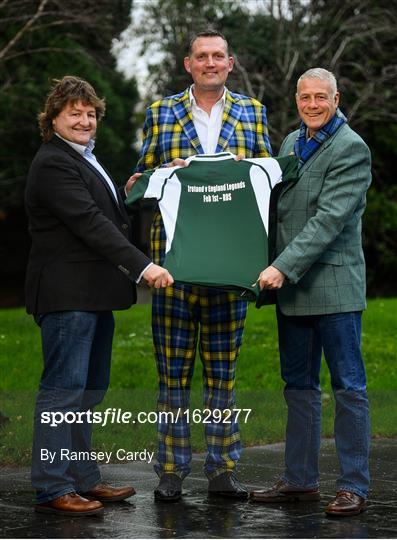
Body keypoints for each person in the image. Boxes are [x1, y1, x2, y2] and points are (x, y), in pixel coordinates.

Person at [133, 30, 272, 501]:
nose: (210, 63)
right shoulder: (159, 112)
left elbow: (269, 179)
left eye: (218, 56)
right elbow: (143, 179)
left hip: (232, 268)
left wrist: (245, 163)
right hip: (173, 265)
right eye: (201, 57)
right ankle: (171, 471)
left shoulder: (253, 112)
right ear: (188, 64)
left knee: (222, 375)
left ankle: (222, 470)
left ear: (230, 63)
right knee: (172, 374)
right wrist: (158, 173)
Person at [25, 76, 173, 516]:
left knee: (88, 392)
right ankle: (53, 485)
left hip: (92, 296)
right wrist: (144, 265)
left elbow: (104, 214)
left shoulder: (84, 159)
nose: (85, 120)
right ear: (53, 120)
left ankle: (83, 479)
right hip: (67, 296)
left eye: (90, 113)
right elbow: (89, 222)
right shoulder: (53, 162)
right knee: (64, 394)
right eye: (75, 113)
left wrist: (134, 192)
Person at [250, 68, 371, 517]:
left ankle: (354, 486)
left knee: (348, 389)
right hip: (294, 290)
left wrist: (281, 267)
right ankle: (300, 482)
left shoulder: (351, 148)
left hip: (334, 288)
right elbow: (274, 205)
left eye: (322, 97)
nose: (313, 105)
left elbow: (327, 221)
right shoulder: (289, 143)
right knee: (298, 388)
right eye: (306, 97)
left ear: (337, 98)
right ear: (296, 99)